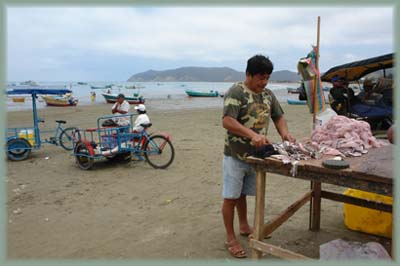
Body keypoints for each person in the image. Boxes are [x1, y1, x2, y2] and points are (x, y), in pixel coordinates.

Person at [222, 54, 295, 258]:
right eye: (260, 78)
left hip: (257, 157)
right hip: (235, 155)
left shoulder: (268, 95)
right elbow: (227, 121)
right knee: (230, 197)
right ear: (248, 74)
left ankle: (245, 226)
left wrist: (285, 134)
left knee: (243, 194)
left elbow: (278, 116)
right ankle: (231, 238)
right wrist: (252, 134)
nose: (264, 82)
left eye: (267, 78)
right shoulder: (236, 92)